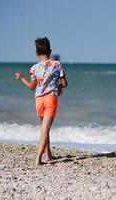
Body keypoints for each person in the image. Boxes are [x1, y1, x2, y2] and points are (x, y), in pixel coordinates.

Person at [15, 37, 68, 166]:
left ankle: (48, 154)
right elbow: (65, 83)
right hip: (50, 99)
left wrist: (21, 78)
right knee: (46, 128)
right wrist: (59, 87)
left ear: (37, 53)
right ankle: (38, 158)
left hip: (38, 100)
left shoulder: (34, 68)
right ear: (50, 51)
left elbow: (32, 87)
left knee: (44, 127)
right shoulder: (57, 65)